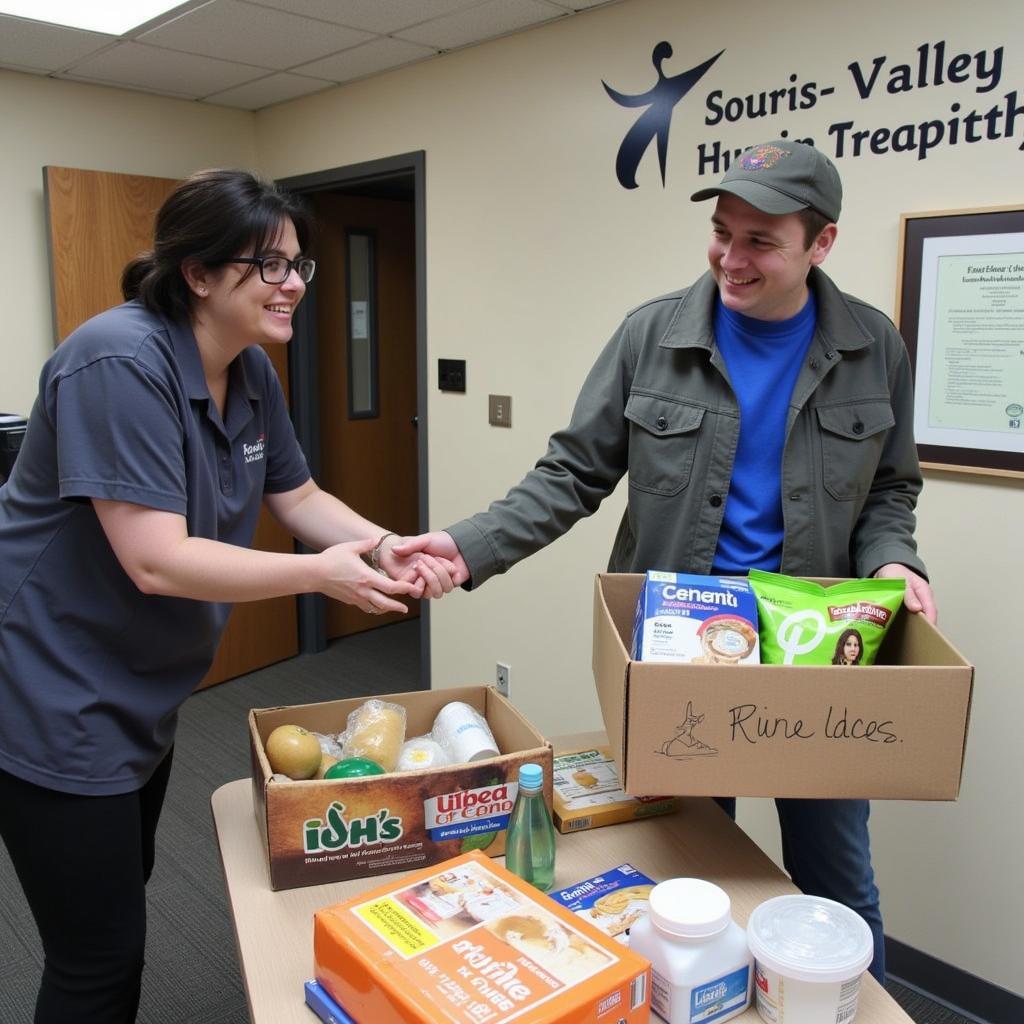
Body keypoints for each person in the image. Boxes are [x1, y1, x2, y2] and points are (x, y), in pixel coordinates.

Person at [395, 139, 938, 983]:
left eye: (760, 240)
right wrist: (464, 548)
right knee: (685, 876)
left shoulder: (875, 345)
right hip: (681, 651)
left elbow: (890, 492)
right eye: (723, 232)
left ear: (820, 244)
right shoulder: (652, 336)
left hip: (815, 653)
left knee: (838, 885)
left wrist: (895, 564)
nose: (731, 257)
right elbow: (572, 473)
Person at [0, 168, 455, 1023]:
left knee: (117, 896)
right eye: (269, 265)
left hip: (143, 682)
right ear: (197, 274)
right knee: (96, 954)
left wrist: (388, 544)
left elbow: (299, 498)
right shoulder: (117, 360)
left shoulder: (249, 372)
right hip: (50, 686)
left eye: (298, 266)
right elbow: (157, 561)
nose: (293, 285)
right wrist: (323, 573)